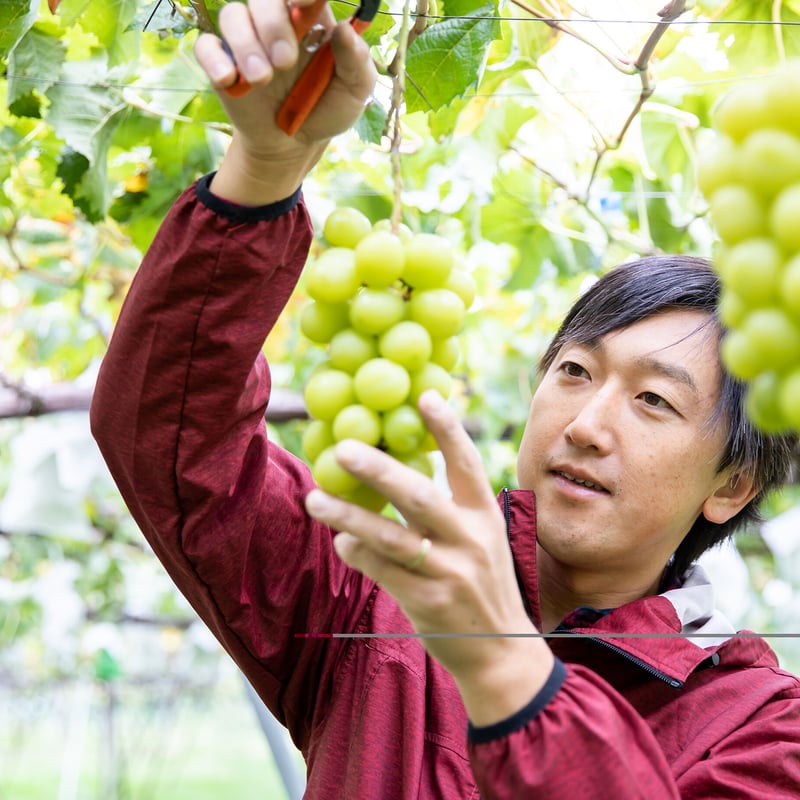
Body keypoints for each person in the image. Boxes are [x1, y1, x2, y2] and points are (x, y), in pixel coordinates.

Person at [90, 0, 800, 796]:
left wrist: (506, 669)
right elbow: (172, 436)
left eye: (654, 403)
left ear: (732, 485)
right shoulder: (370, 596)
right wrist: (262, 170)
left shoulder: (762, 728)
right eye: (574, 372)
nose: (588, 425)